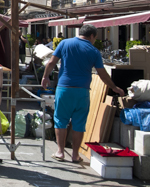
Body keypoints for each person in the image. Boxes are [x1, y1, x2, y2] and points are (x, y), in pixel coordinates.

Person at [41, 24, 124, 163]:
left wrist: (45, 77)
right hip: (83, 91)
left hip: (64, 88)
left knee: (61, 119)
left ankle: (60, 152)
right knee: (79, 122)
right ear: (92, 36)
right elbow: (102, 74)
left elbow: (51, 62)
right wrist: (114, 87)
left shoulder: (65, 43)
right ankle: (75, 155)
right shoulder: (94, 51)